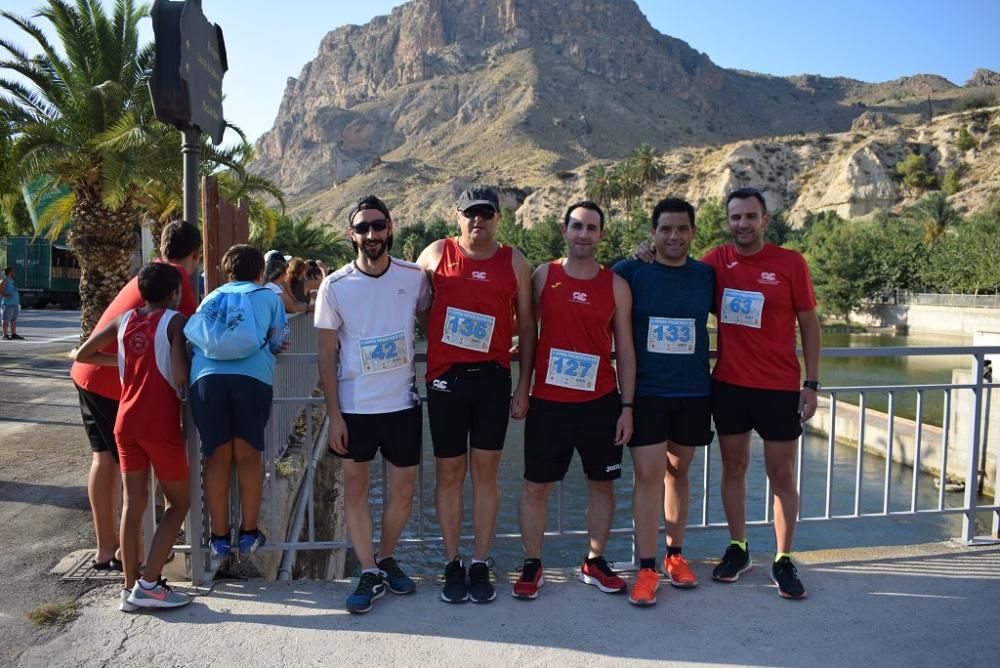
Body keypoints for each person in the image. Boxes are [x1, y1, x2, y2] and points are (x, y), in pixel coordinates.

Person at [416, 185, 536, 604]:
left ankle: (481, 562)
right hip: (446, 380)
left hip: (492, 381)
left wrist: (524, 386)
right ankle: (452, 563)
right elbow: (414, 307)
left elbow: (528, 326)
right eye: (471, 213)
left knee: (486, 475)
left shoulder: (514, 262)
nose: (478, 220)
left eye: (486, 213)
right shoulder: (434, 255)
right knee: (449, 475)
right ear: (458, 215)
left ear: (498, 217)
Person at [512, 200, 636, 601]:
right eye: (577, 226)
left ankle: (594, 562)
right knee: (536, 487)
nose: (584, 234)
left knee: (602, 485)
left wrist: (627, 407)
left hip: (600, 401)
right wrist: (522, 386)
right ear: (564, 230)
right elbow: (526, 330)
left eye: (592, 228)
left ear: (601, 235)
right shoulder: (542, 275)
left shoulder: (615, 284)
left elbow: (627, 350)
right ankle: (532, 563)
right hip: (548, 403)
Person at [704, 187, 821, 600]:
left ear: (764, 220)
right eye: (735, 217)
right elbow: (677, 273)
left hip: (778, 388)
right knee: (733, 468)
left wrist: (812, 383)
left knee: (782, 475)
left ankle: (784, 557)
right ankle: (739, 548)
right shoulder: (716, 261)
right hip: (730, 386)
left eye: (750, 216)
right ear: (728, 221)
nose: (742, 224)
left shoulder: (790, 263)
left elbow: (809, 323)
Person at [316, 195, 430, 614]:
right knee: (355, 489)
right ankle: (368, 570)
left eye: (378, 226)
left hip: (402, 405)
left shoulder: (414, 277)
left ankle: (383, 557)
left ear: (390, 228)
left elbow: (435, 317)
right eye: (363, 227)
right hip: (355, 408)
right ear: (352, 234)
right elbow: (325, 355)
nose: (371, 234)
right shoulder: (335, 286)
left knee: (403, 491)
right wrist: (334, 415)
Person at [69, 221, 200, 577]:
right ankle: (142, 559)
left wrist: (123, 359)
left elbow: (89, 348)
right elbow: (192, 336)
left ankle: (107, 550)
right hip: (123, 390)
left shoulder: (146, 275)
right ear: (195, 255)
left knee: (105, 460)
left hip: (88, 377)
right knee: (145, 482)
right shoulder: (176, 280)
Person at [613, 197, 714, 606]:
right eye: (666, 229)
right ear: (652, 233)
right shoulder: (630, 271)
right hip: (648, 393)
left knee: (679, 472)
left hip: (692, 391)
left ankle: (675, 555)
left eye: (682, 229)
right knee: (650, 474)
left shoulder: (706, 275)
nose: (674, 236)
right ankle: (646, 566)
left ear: (692, 232)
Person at [188, 244, 288, 565]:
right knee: (247, 456)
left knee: (216, 456)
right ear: (260, 272)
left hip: (206, 379)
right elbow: (277, 340)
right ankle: (247, 534)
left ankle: (218, 538)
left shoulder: (211, 297)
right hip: (252, 379)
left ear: (226, 272)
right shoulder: (269, 297)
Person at [1, 266, 23, 340]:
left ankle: (13, 334)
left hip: (14, 304)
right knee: (5, 319)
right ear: (10, 272)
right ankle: (5, 335)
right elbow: (0, 290)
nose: (15, 272)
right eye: (13, 271)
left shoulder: (13, 281)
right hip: (7, 304)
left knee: (13, 320)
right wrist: (6, 295)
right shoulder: (5, 280)